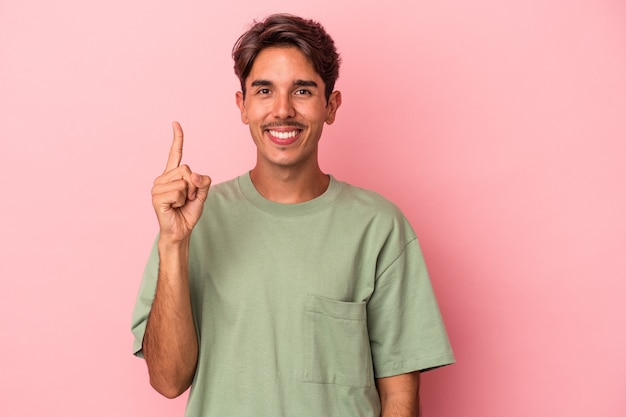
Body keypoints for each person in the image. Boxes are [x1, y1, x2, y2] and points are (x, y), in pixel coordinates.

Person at [131, 13, 454, 417]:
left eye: (302, 90)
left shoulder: (379, 227)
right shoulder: (192, 220)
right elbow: (167, 381)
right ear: (242, 105)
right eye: (264, 90)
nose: (282, 110)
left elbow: (400, 398)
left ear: (330, 105)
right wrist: (173, 243)